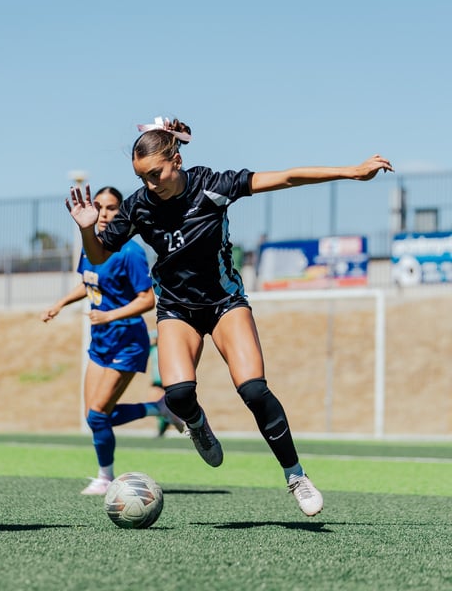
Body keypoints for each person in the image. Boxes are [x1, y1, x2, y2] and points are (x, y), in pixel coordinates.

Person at [66, 116, 393, 516]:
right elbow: (99, 254)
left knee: (254, 390)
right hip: (176, 309)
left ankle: (295, 475)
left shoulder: (212, 186)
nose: (150, 184)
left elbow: (288, 178)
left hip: (224, 303)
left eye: (155, 174)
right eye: (142, 177)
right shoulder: (138, 206)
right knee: (179, 395)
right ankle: (197, 424)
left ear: (177, 160)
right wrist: (87, 230)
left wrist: (351, 171)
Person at [42, 185, 184, 495]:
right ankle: (157, 408)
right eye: (100, 207)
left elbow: (147, 300)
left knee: (98, 413)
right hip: (101, 342)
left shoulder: (130, 251)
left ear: (122, 212)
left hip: (128, 340)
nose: (105, 214)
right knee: (93, 417)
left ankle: (105, 477)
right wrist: (61, 303)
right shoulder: (90, 244)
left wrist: (110, 315)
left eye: (112, 208)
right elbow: (89, 283)